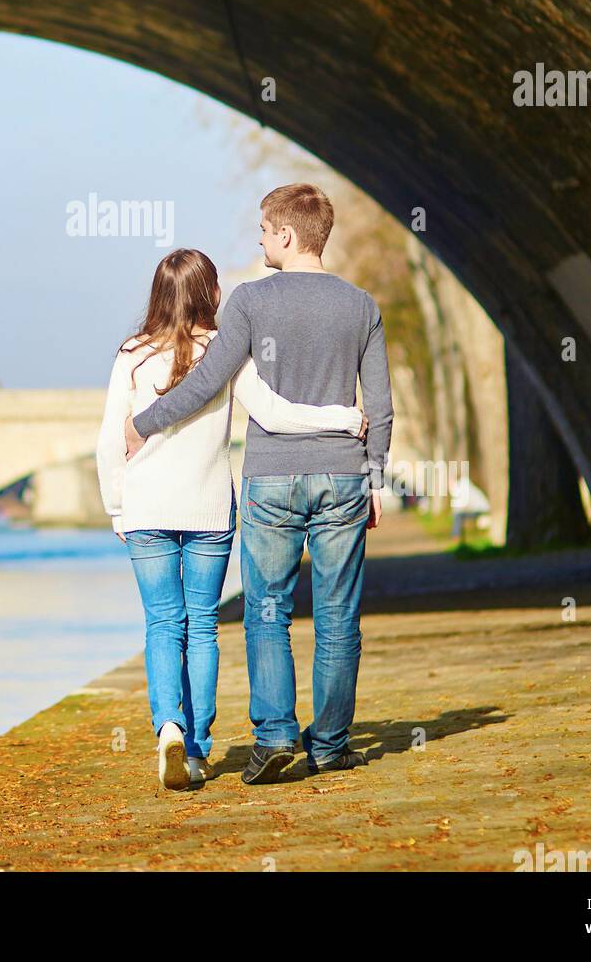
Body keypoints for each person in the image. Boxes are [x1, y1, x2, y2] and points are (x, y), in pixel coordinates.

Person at [126, 184, 393, 785]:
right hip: (343, 474)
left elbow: (205, 381)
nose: (261, 240)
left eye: (266, 232)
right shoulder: (361, 307)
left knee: (267, 612)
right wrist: (375, 473)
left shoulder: (249, 303)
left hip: (271, 479)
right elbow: (380, 402)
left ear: (289, 236)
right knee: (338, 615)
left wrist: (143, 423)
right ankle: (329, 743)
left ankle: (273, 736)